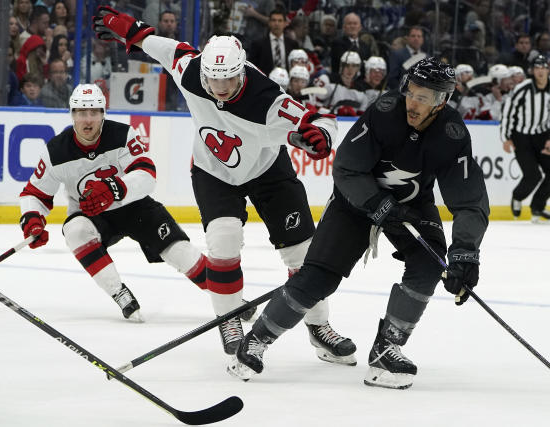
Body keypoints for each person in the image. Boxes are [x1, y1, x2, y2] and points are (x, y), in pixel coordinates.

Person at [93, 6, 356, 373]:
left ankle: (318, 326)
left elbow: (320, 119)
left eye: (228, 81)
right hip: (213, 172)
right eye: (213, 81)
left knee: (302, 254)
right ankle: (229, 318)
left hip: (268, 171)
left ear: (241, 72)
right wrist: (133, 32)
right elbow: (164, 47)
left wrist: (322, 134)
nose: (219, 89)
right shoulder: (193, 69)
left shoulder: (268, 99)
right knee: (224, 241)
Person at [233, 57, 490, 389]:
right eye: (412, 93)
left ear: (442, 101)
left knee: (430, 264)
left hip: (410, 207)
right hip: (355, 202)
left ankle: (387, 349)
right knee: (318, 277)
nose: (413, 103)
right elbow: (347, 169)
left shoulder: (452, 134)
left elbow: (469, 200)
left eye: (424, 98)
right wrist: (377, 204)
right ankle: (256, 340)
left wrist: (466, 251)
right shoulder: (384, 112)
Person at [18, 84, 244, 324]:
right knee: (75, 231)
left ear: (103, 113)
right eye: (82, 112)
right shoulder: (55, 151)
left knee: (179, 252)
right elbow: (35, 193)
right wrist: (32, 218)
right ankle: (119, 292)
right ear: (72, 114)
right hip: (92, 215)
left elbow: (147, 174)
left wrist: (115, 189)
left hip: (134, 206)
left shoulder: (123, 134)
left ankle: (231, 301)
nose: (88, 119)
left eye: (94, 112)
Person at [501, 55, 550, 224]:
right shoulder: (522, 89)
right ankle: (517, 197)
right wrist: (506, 137)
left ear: (548, 70)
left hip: (543, 135)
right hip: (521, 136)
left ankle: (538, 207)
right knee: (532, 176)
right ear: (532, 71)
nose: (540, 71)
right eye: (536, 67)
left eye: (543, 67)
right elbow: (508, 111)